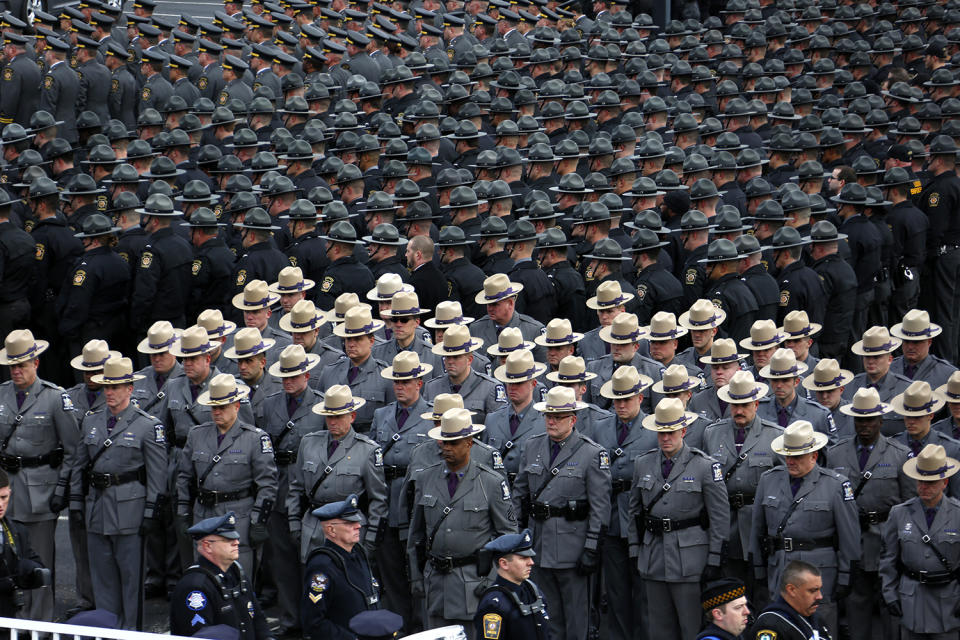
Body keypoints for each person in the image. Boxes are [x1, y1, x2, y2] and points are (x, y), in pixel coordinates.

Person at [72, 357, 168, 630]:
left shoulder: (148, 426)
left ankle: (130, 633)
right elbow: (79, 466)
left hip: (130, 511)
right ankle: (107, 630)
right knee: (102, 577)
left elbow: (158, 476)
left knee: (130, 580)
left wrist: (151, 513)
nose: (110, 393)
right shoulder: (91, 421)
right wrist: (77, 504)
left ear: (129, 388)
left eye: (116, 387)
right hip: (97, 508)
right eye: (106, 388)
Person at [512, 384, 610, 640]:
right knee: (546, 616)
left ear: (573, 419)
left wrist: (591, 549)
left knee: (577, 619)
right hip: (538, 546)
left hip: (572, 548)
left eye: (557, 417)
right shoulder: (532, 447)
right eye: (548, 416)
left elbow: (600, 508)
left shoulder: (591, 453)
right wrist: (517, 540)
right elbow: (519, 496)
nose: (551, 421)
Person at [407, 408, 517, 636]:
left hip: (473, 585)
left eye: (454, 442)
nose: (446, 448)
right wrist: (416, 576)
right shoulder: (426, 478)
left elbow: (507, 538)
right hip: (435, 585)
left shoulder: (491, 483)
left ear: (469, 442)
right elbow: (415, 534)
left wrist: (493, 580)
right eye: (443, 442)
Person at [628, 397, 730, 640]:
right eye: (661, 432)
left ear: (683, 430)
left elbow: (719, 517)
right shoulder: (643, 464)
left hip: (690, 560)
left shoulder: (704, 467)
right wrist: (634, 550)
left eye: (671, 432)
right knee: (659, 630)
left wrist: (715, 558)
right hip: (654, 558)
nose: (665, 438)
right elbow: (634, 512)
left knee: (691, 627)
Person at [749, 421, 861, 638]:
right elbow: (757, 530)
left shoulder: (836, 485)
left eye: (798, 456)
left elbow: (850, 539)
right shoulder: (768, 480)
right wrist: (759, 571)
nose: (790, 461)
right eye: (787, 455)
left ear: (814, 456)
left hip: (818, 574)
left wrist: (846, 577)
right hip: (780, 571)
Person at [0, 329, 79, 621]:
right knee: (7, 556)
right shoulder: (2, 394)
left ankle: (41, 622)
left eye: (22, 364)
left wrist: (61, 488)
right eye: (12, 365)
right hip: (8, 489)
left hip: (41, 489)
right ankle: (13, 618)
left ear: (36, 363)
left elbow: (73, 449)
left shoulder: (55, 398)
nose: (16, 370)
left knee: (40, 560)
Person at [176, 373, 278, 577]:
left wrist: (258, 521)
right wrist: (183, 513)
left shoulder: (255, 438)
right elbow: (184, 478)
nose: (217, 412)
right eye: (214, 407)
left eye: (223, 407)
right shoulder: (197, 435)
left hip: (238, 518)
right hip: (204, 515)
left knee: (239, 580)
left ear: (237, 406)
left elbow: (267, 485)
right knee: (205, 577)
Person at [830, 387, 911, 640]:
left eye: (870, 420)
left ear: (881, 421)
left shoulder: (899, 455)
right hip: (852, 541)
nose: (864, 425)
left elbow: (910, 504)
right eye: (859, 419)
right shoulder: (835, 453)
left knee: (891, 610)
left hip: (888, 541)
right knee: (857, 608)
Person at [286, 385, 387, 562]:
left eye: (338, 417)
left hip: (348, 529)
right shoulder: (309, 443)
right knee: (314, 584)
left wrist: (371, 539)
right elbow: (296, 487)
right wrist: (294, 522)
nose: (332, 422)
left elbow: (378, 500)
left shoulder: (367, 450)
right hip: (313, 527)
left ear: (352, 416)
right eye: (329, 417)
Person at [702, 370, 782, 590]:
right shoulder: (712, 434)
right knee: (730, 590)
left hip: (759, 524)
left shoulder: (775, 436)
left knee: (761, 591)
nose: (738, 410)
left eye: (745, 405)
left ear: (756, 404)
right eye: (734, 405)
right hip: (725, 524)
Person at [880, 444, 960, 640]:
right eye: (920, 481)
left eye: (931, 482)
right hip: (911, 601)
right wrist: (890, 595)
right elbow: (888, 559)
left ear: (944, 482)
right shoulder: (899, 513)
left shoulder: (958, 514)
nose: (924, 487)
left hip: (948, 603)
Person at [168, 511, 272, 640]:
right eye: (228, 540)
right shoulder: (195, 586)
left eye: (236, 538)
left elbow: (258, 620)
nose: (236, 543)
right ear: (207, 546)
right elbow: (200, 636)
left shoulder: (236, 574)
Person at [301, 495, 381, 640]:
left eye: (357, 521)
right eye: (349, 523)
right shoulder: (322, 566)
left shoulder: (358, 553)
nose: (358, 526)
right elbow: (314, 622)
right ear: (331, 530)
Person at [473, 529, 551, 640]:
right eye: (523, 558)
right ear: (504, 563)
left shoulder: (532, 591)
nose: (531, 562)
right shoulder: (494, 604)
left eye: (530, 557)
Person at [747, 561, 833, 640]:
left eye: (819, 589)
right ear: (791, 590)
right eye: (812, 590)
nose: (820, 596)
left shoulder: (815, 618)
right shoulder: (770, 626)